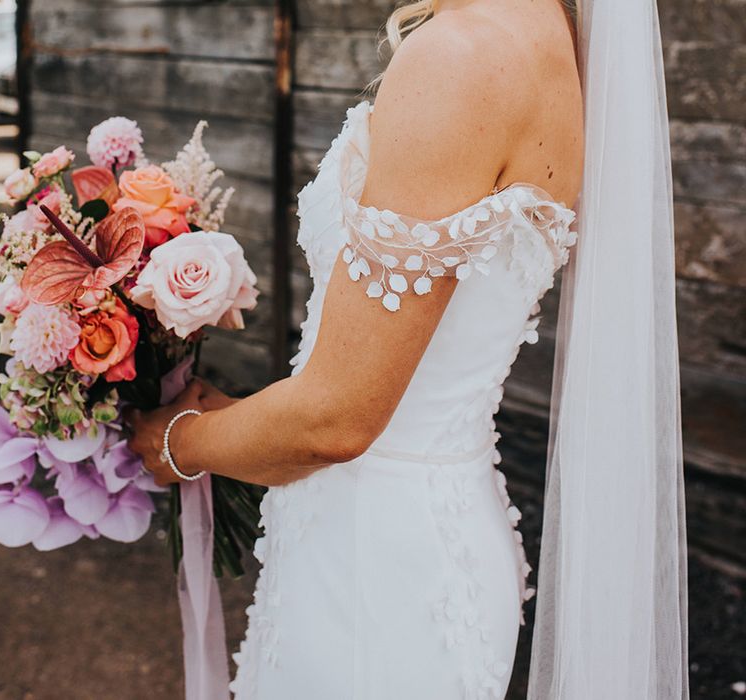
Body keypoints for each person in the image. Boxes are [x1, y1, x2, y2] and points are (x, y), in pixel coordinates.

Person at [126, 0, 689, 697]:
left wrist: (177, 441)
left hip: (377, 579)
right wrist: (241, 421)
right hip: (416, 532)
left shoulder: (462, 57)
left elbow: (339, 420)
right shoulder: (550, 37)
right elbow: (403, 375)